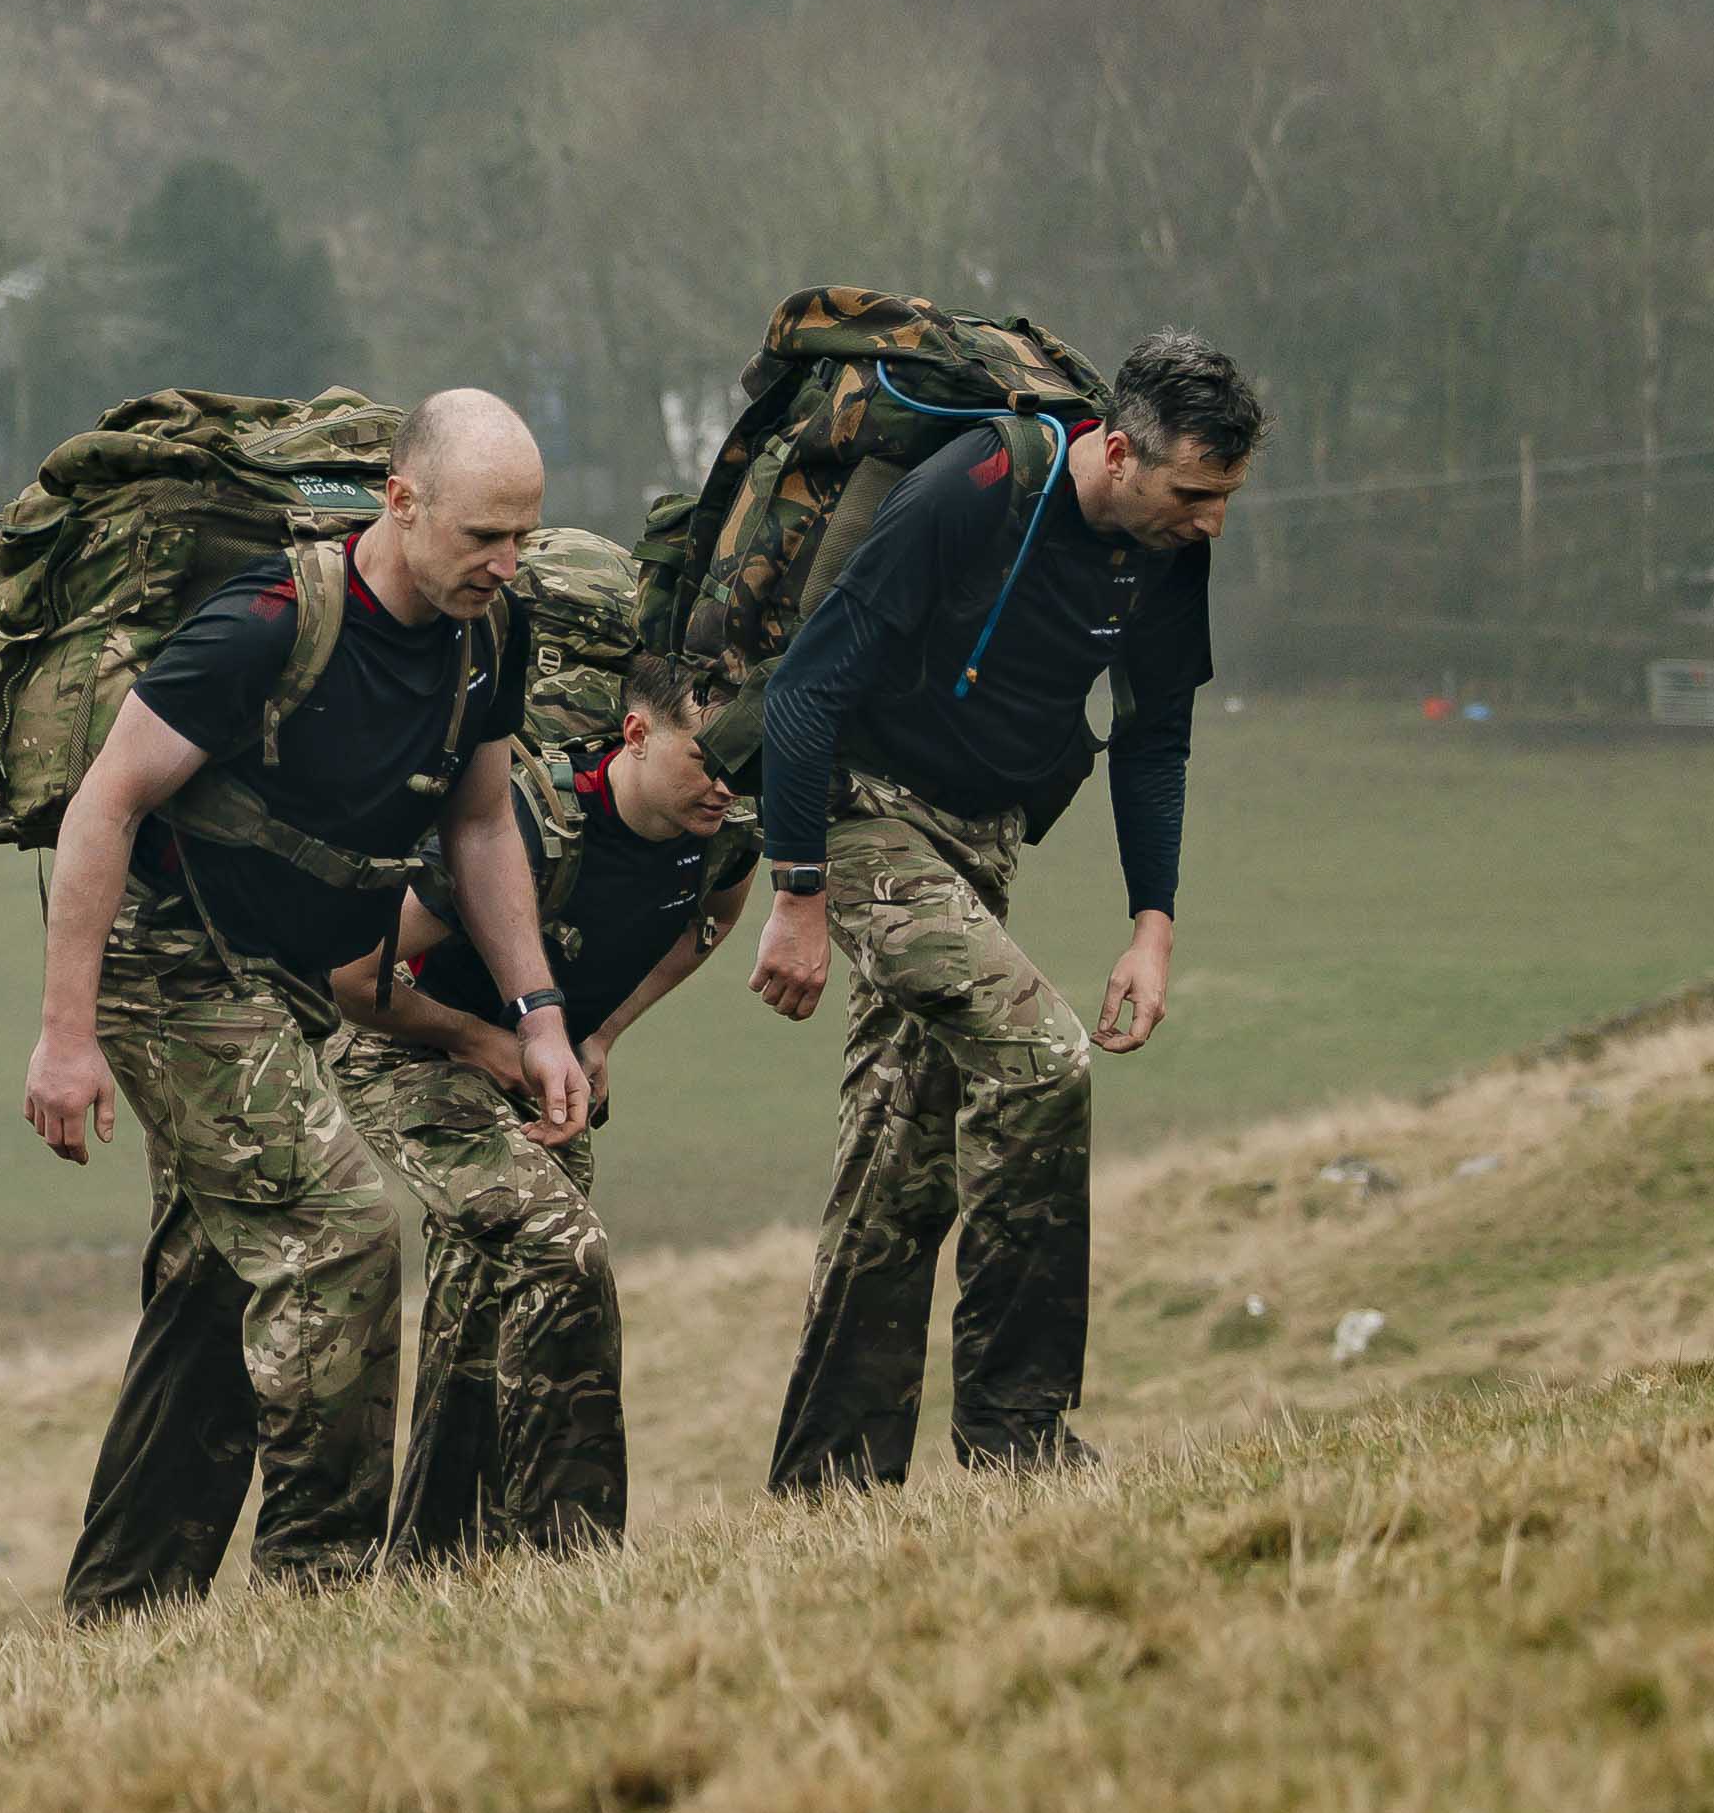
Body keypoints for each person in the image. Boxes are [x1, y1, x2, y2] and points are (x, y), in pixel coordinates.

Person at [26, 390, 576, 1606]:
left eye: (523, 536)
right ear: (400, 501)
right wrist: (66, 1040)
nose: (505, 562)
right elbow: (100, 807)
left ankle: (120, 1607)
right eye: (484, 534)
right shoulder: (263, 626)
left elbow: (481, 825)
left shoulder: (492, 633)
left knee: (217, 1279)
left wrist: (536, 1011)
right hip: (165, 960)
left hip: (286, 983)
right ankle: (317, 1586)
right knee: (336, 1232)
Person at [742, 330, 1261, 1492]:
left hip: (981, 846)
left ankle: (825, 1486)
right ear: (1117, 451)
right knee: (1041, 1060)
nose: (1211, 521)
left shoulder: (1169, 546)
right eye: (1193, 493)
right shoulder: (978, 484)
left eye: (1226, 497)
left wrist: (1150, 924)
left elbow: (1155, 732)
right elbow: (809, 683)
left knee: (896, 1161)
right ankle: (1015, 1431)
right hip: (865, 817)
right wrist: (795, 893)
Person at [339, 548, 759, 1553]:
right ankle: (568, 1552)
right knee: (561, 1250)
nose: (726, 787)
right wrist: (482, 1039)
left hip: (544, 1069)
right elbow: (353, 977)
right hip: (406, 1055)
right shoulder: (534, 825)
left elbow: (711, 914)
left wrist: (602, 1032)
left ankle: (436, 1564)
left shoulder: (724, 832)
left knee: (480, 1304)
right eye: (705, 760)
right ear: (635, 732)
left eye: (744, 766)